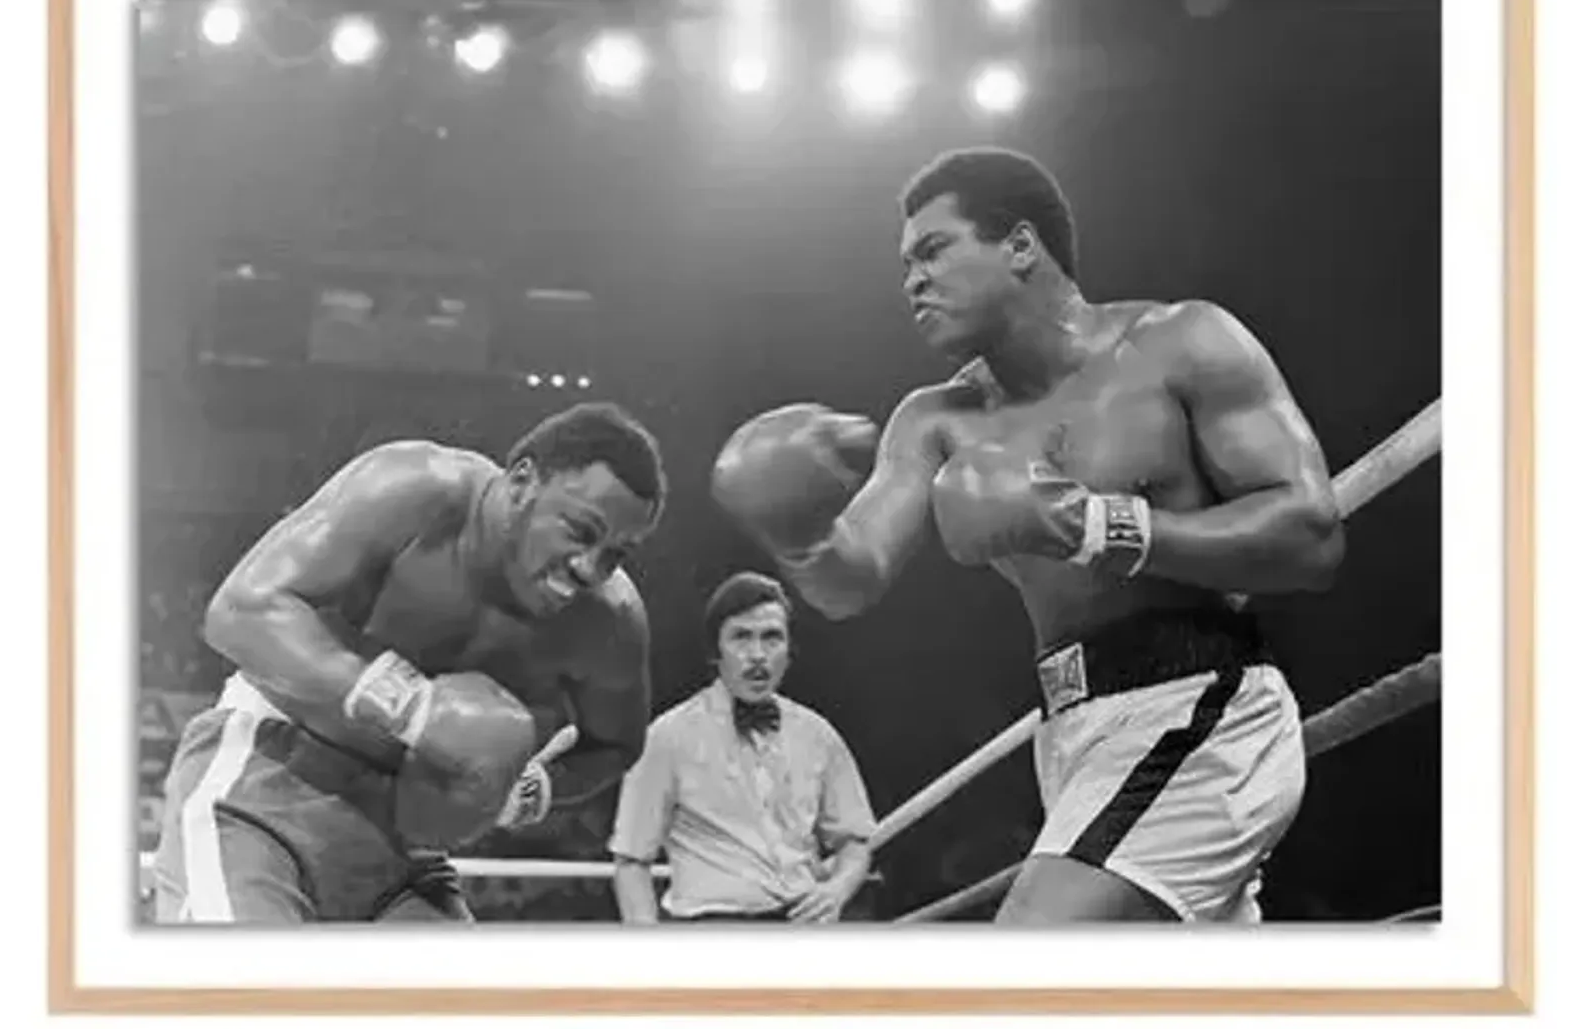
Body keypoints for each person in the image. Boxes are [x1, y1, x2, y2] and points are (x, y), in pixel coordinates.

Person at [712, 147, 1344, 923]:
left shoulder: (1180, 343)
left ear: (1019, 245)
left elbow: (1311, 535)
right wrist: (797, 529)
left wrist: (1096, 524)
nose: (912, 279)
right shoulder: (935, 419)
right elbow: (852, 576)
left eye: (935, 250)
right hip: (1073, 730)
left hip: (1201, 705)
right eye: (906, 263)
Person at [151, 402, 666, 923]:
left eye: (616, 554)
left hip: (407, 846)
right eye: (581, 531)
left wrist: (535, 790)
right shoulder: (418, 489)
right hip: (264, 777)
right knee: (244, 994)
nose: (590, 568)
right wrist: (412, 708)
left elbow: (617, 744)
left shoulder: (610, 619)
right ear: (522, 482)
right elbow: (241, 610)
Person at [608, 572, 876, 924]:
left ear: (789, 650)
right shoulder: (667, 737)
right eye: (741, 637)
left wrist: (835, 890)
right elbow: (631, 861)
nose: (757, 656)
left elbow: (856, 840)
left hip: (803, 926)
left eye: (771, 638)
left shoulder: (818, 735)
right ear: (715, 651)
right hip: (710, 933)